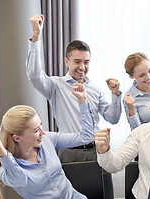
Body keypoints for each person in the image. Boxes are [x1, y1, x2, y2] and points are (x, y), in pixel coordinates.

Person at [0, 83, 96, 199]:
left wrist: (82, 101)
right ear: (17, 138)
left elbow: (86, 137)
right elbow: (19, 179)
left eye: (41, 126)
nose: (43, 133)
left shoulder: (47, 139)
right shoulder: (6, 170)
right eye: (37, 130)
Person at [27, 14, 122, 163]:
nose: (82, 67)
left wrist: (115, 95)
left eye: (86, 62)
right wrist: (36, 37)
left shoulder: (96, 88)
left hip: (96, 150)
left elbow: (113, 118)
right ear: (66, 61)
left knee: (101, 187)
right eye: (77, 62)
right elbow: (34, 75)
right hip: (69, 153)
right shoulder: (55, 85)